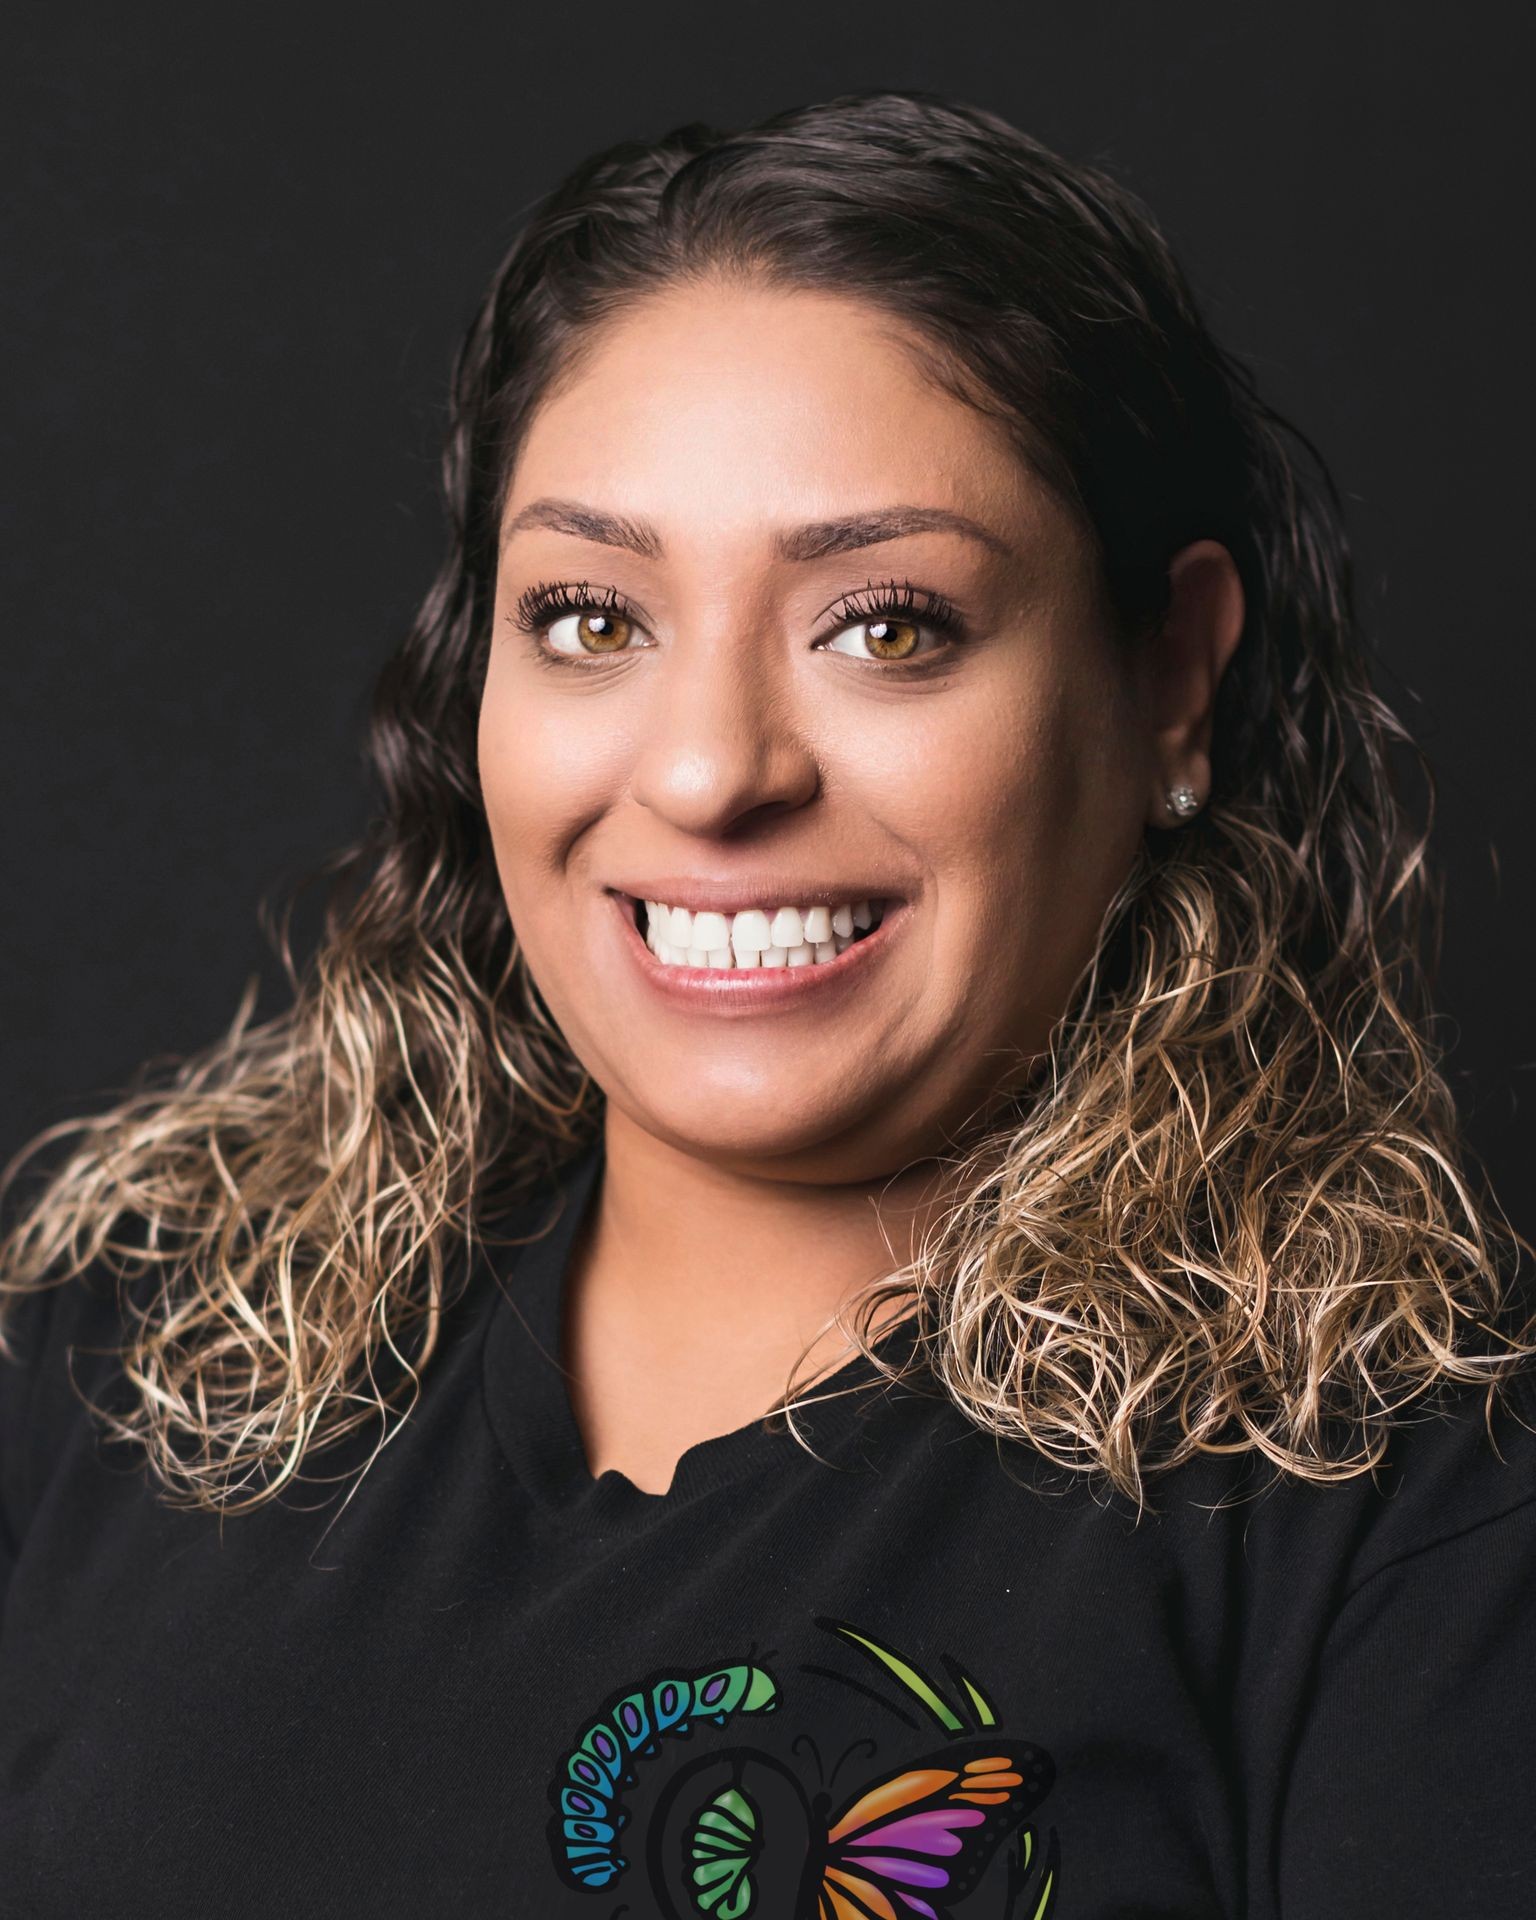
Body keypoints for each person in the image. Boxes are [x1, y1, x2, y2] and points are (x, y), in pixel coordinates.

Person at [1, 87, 1532, 1920]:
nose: (714, 772)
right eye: (591, 617)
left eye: (885, 623)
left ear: (1169, 685)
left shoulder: (1410, 1505)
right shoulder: (125, 1358)